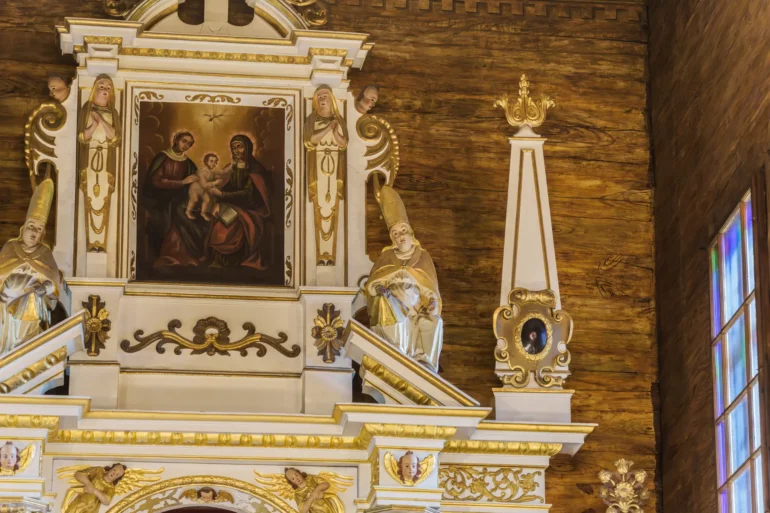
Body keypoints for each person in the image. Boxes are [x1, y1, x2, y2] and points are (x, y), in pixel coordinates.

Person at [365, 186, 443, 372]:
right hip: (393, 303)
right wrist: (380, 288)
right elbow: (372, 284)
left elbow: (430, 288)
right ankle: (395, 351)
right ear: (392, 238)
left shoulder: (422, 257)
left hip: (417, 307)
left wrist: (432, 303)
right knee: (383, 303)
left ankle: (423, 361)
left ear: (410, 232)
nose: (400, 236)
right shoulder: (386, 257)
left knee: (434, 322)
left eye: (403, 231)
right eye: (395, 233)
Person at [0, 179, 65, 354]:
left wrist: (44, 289)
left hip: (33, 305)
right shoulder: (11, 247)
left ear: (42, 234)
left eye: (39, 229)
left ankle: (27, 347)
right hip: (6, 308)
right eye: (31, 226)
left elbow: (54, 282)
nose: (34, 232)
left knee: (33, 304)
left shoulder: (45, 253)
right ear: (24, 228)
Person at [206, 134, 272, 269]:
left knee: (231, 222)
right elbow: (223, 186)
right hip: (232, 204)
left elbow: (248, 194)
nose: (236, 151)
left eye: (240, 147)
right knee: (218, 218)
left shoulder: (255, 169)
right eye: (233, 148)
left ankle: (232, 261)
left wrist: (222, 195)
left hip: (251, 207)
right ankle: (220, 259)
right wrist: (217, 201)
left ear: (248, 148)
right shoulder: (230, 167)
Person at [142, 131, 204, 267]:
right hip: (160, 197)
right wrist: (182, 182)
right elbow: (156, 181)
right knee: (178, 213)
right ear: (176, 140)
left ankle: (191, 255)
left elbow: (195, 181)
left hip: (181, 197)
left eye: (189, 144)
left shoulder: (188, 163)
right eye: (184, 141)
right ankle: (170, 254)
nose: (186, 145)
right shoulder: (162, 157)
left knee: (195, 212)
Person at [305, 85, 348, 265]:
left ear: (331, 99)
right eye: (319, 96)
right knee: (321, 202)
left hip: (335, 165)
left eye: (325, 95)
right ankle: (322, 254)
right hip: (318, 164)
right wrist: (328, 128)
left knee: (331, 203)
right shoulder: (312, 119)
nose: (322, 98)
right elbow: (309, 141)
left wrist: (335, 130)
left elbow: (343, 143)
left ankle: (329, 255)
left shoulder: (339, 119)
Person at [185, 152, 231, 221]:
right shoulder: (201, 171)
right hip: (195, 189)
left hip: (203, 190)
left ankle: (203, 213)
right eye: (211, 161)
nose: (213, 163)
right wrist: (214, 183)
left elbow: (220, 173)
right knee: (194, 199)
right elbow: (204, 185)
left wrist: (229, 168)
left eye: (215, 162)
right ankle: (188, 212)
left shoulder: (213, 171)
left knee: (207, 200)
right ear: (206, 162)